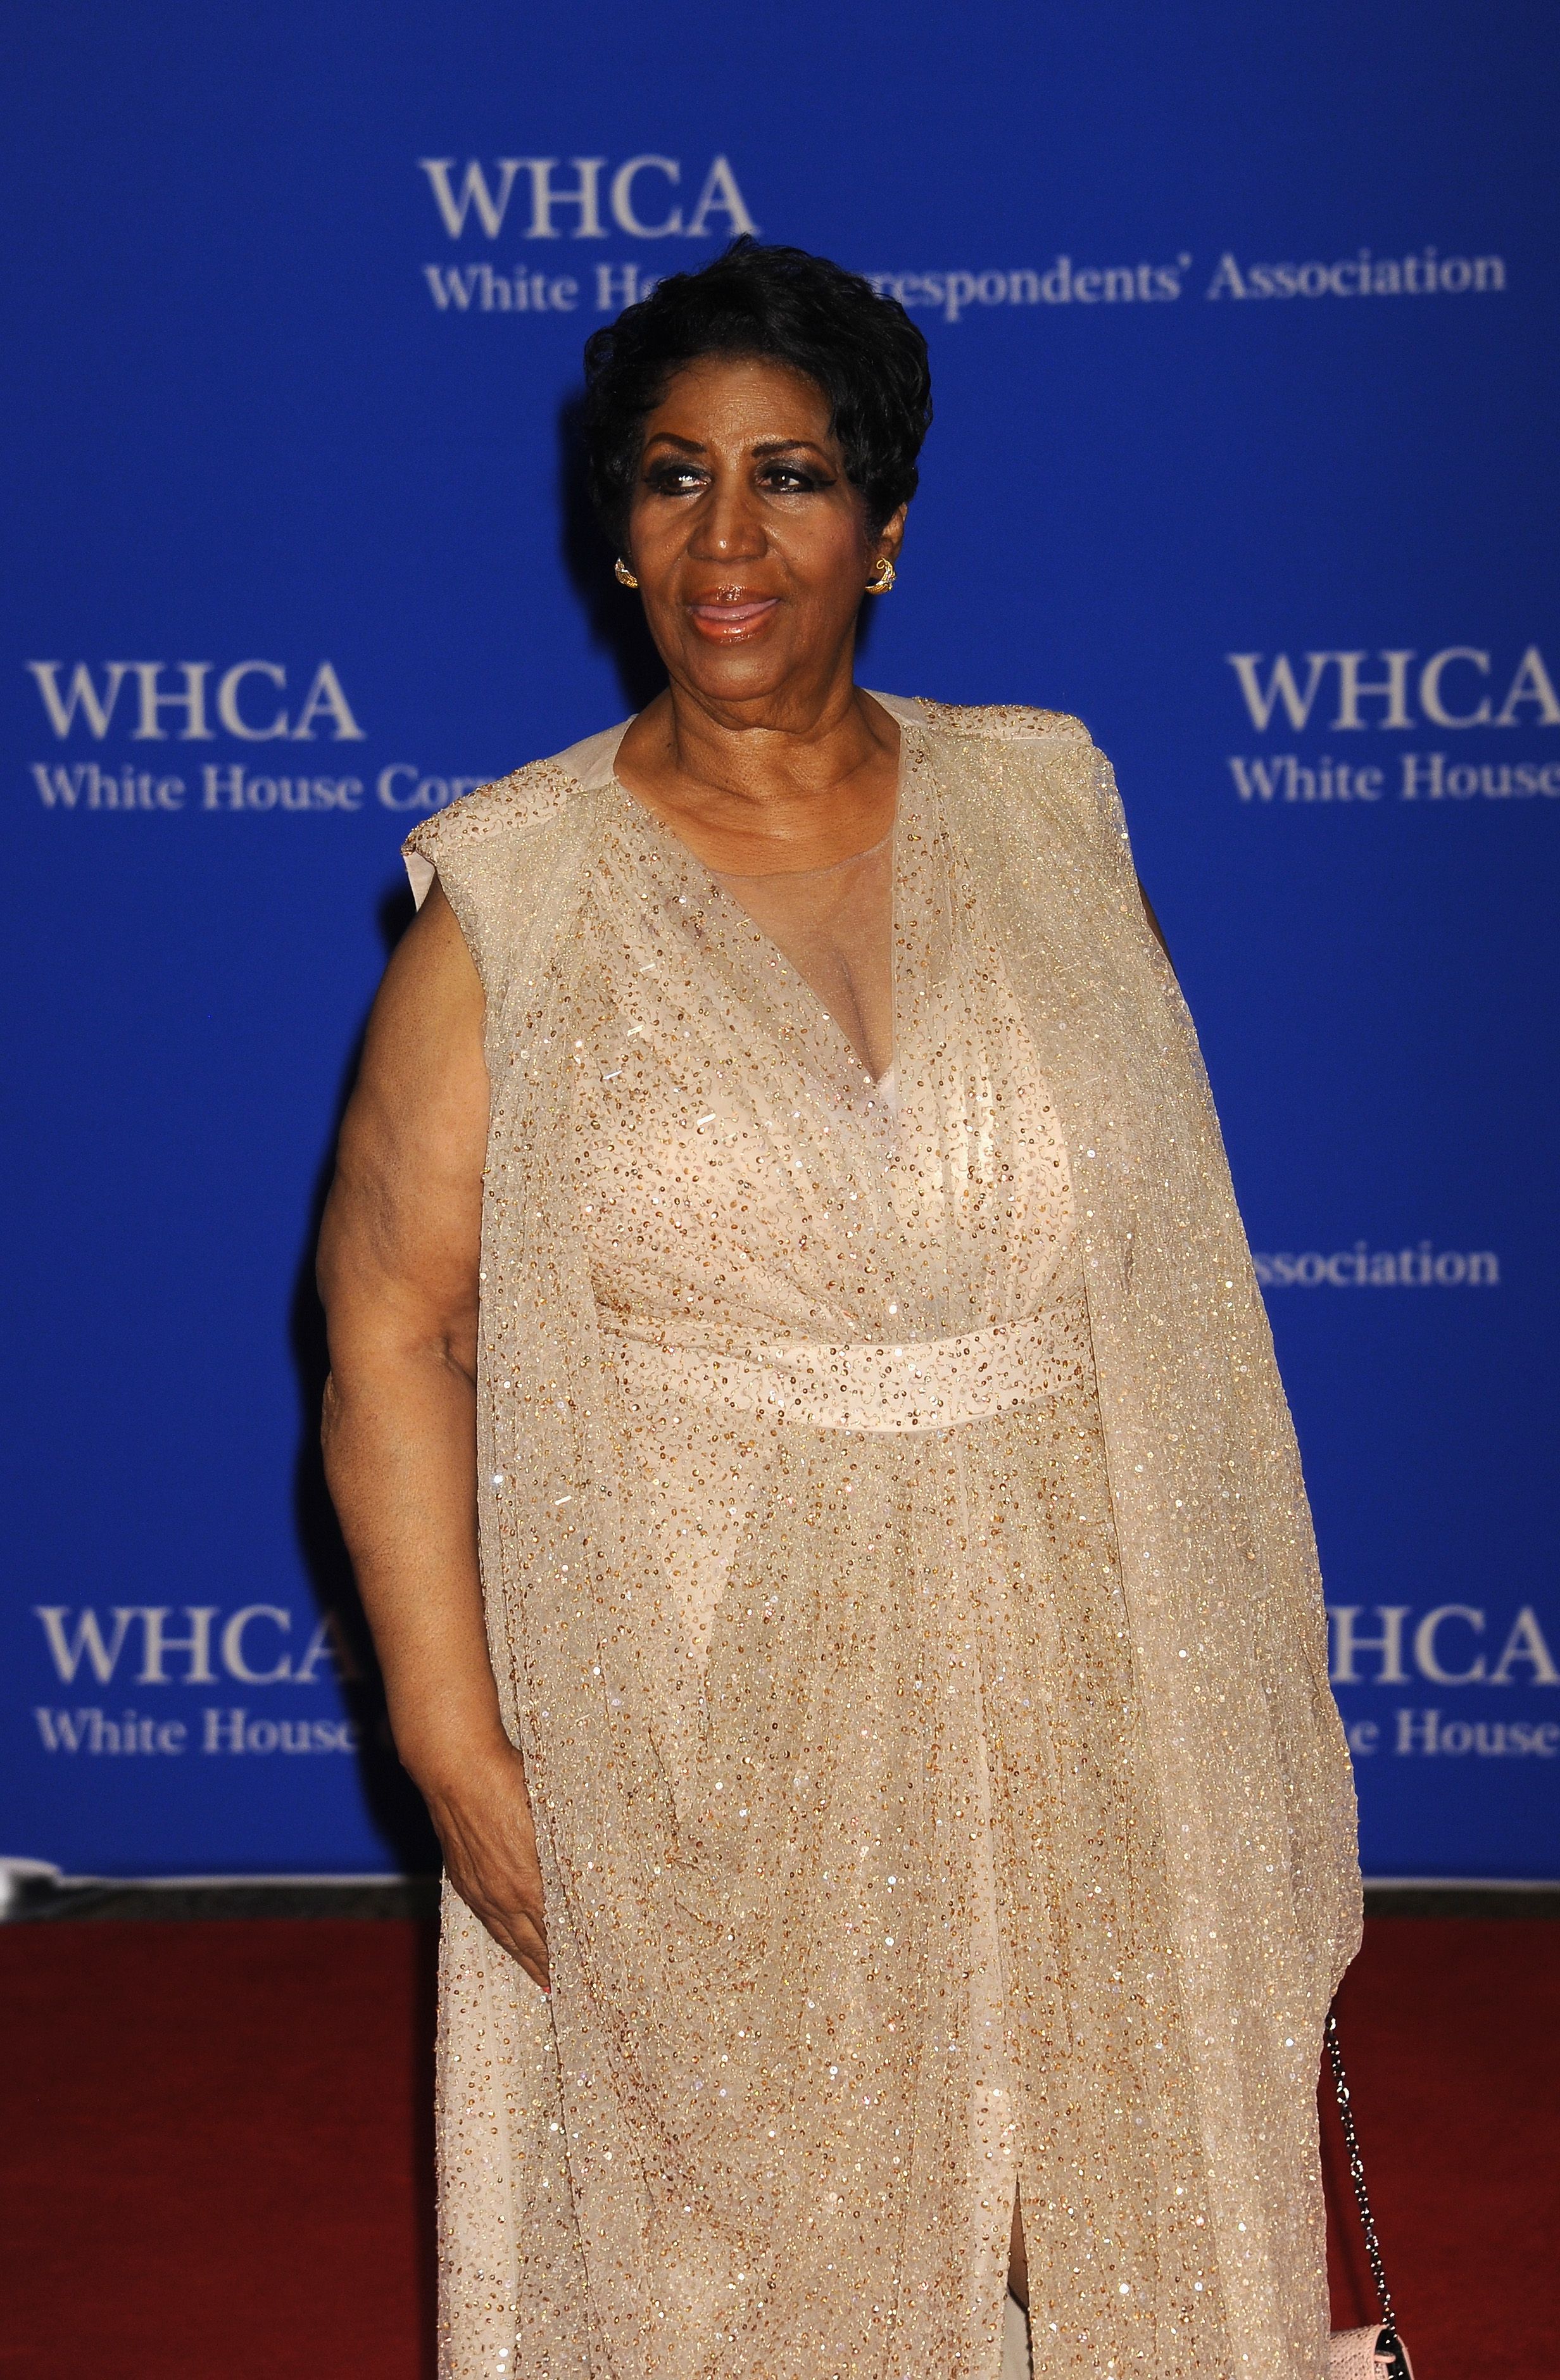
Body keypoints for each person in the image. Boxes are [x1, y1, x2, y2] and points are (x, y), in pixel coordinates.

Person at [317, 240, 1361, 2380]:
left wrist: (1224, 1668)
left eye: (789, 476)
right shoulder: (513, 897)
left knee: (1107, 2185)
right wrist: (451, 1738)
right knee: (749, 2254)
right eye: (674, 477)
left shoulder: (1049, 809)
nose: (729, 538)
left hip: (1077, 1651)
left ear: (883, 530)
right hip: (697, 1691)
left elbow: (1165, 1265)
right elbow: (393, 1330)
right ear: (618, 535)